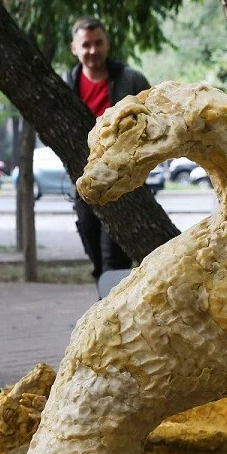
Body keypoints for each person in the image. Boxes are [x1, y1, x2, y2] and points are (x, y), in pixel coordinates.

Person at [62, 17, 150, 280]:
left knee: (115, 257)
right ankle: (105, 304)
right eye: (86, 45)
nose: (93, 51)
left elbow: (155, 118)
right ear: (74, 48)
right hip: (84, 183)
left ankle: (111, 308)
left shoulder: (131, 79)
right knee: (95, 251)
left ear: (107, 44)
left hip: (123, 184)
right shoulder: (65, 87)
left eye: (98, 43)